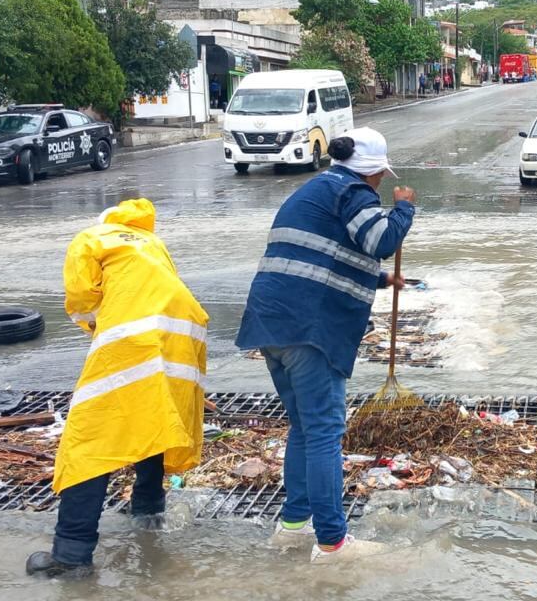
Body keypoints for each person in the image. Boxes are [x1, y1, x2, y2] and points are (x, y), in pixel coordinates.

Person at [236, 127, 415, 564]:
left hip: (271, 325)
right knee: (324, 434)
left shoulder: (316, 189)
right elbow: (381, 240)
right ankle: (332, 541)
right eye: (380, 175)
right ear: (370, 170)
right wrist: (404, 207)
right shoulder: (354, 192)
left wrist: (380, 279)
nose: (381, 181)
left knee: (304, 426)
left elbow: (322, 253)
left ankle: (294, 525)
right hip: (310, 330)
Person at [27, 199, 210, 579]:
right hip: (184, 335)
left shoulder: (91, 238)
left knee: (88, 441)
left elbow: (81, 297)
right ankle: (148, 510)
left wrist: (95, 327)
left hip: (135, 338)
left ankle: (71, 555)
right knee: (152, 419)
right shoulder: (150, 242)